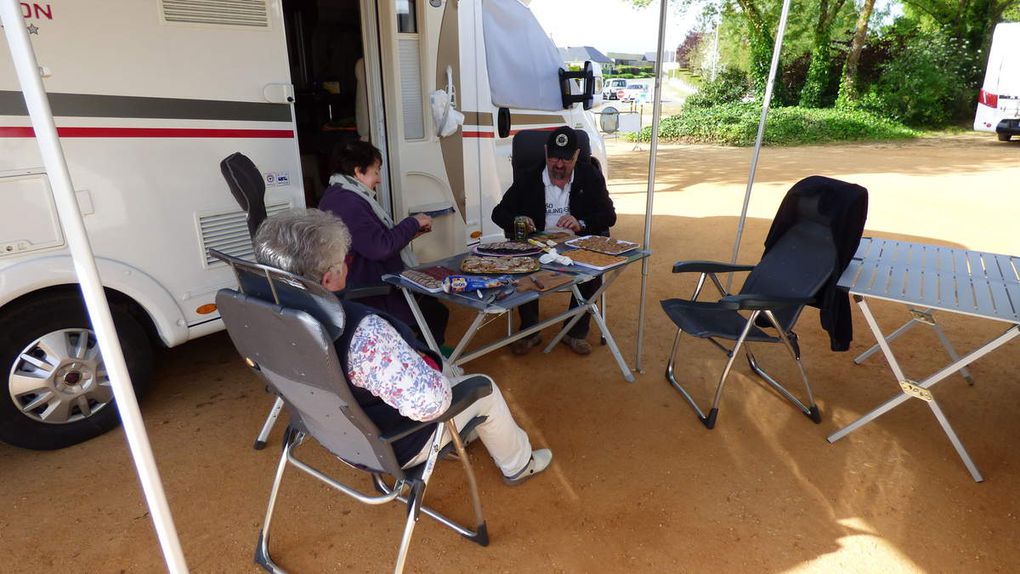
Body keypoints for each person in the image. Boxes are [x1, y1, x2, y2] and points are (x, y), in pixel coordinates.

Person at [253, 209, 552, 484]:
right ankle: (518, 465)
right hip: (390, 445)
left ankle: (465, 431)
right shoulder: (363, 335)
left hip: (332, 433)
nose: (348, 263)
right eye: (345, 260)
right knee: (482, 387)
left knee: (447, 368)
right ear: (330, 278)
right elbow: (431, 403)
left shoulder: (268, 315)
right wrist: (425, 364)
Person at [491, 127, 616, 356]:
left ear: (577, 155)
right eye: (554, 157)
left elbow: (609, 216)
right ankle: (530, 332)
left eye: (566, 159)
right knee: (524, 263)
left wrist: (582, 223)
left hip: (576, 245)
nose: (559, 164)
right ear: (546, 152)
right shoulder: (529, 177)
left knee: (593, 269)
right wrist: (518, 220)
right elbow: (498, 213)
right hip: (537, 246)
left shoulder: (590, 175)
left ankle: (574, 332)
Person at [318, 140, 449, 347]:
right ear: (358, 171)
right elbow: (380, 248)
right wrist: (412, 222)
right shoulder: (348, 203)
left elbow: (371, 240)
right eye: (376, 171)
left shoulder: (340, 195)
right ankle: (427, 360)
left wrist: (410, 233)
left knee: (432, 303)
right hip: (371, 288)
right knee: (435, 313)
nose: (378, 179)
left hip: (367, 277)